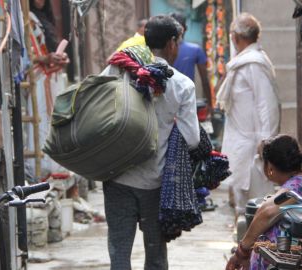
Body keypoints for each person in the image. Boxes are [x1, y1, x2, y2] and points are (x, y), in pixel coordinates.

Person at [100, 15, 200, 270]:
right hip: (154, 183)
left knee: (119, 254)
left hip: (116, 176)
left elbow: (96, 101)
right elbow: (192, 140)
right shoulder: (182, 85)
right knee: (155, 257)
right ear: (172, 43)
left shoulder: (119, 68)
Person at [215, 13, 280, 217]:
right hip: (241, 142)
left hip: (253, 145)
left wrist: (266, 140)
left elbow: (267, 105)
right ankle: (244, 244)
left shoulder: (254, 63)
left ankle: (254, 245)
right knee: (242, 201)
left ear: (235, 37)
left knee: (256, 203)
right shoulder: (243, 62)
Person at [226, 134, 302, 270]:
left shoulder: (296, 186)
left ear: (270, 167)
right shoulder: (298, 182)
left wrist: (241, 252)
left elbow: (267, 213)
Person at [170, 12, 212, 107]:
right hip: (188, 101)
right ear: (185, 28)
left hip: (167, 101)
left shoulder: (161, 50)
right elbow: (205, 80)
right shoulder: (195, 49)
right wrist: (210, 105)